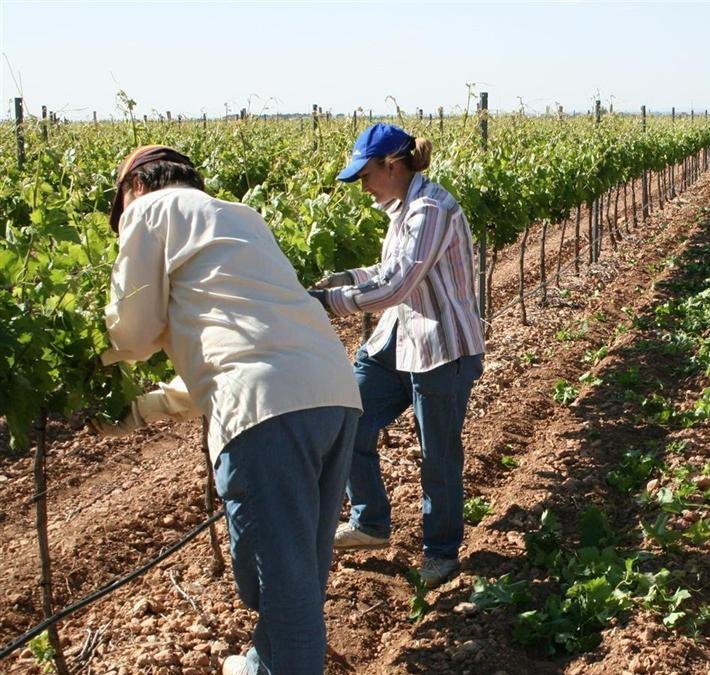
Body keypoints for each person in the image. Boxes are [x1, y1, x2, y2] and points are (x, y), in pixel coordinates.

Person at [98, 145, 362, 675]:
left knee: (281, 590)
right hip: (332, 394)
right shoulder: (239, 217)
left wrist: (87, 361)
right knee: (295, 578)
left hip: (266, 413)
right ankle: (261, 665)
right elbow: (233, 350)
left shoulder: (148, 212)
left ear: (135, 188)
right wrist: (147, 408)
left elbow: (132, 331)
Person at [308, 123, 485, 587]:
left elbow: (396, 285)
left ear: (392, 165)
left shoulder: (430, 209)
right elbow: (387, 269)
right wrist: (342, 278)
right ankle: (370, 522)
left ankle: (441, 553)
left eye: (365, 175)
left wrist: (330, 304)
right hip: (397, 339)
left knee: (437, 455)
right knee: (347, 419)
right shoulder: (402, 208)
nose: (361, 186)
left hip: (441, 348)